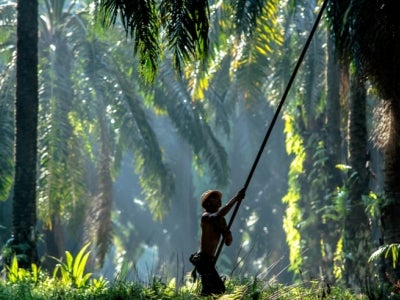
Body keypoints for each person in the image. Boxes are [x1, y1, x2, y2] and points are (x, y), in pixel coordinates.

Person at [190, 188, 246, 296]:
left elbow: (228, 242)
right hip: (203, 259)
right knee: (219, 289)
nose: (219, 200)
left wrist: (227, 233)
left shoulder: (220, 221)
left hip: (209, 261)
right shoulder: (206, 217)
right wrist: (235, 198)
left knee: (209, 292)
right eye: (215, 198)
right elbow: (218, 215)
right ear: (208, 202)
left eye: (219, 198)